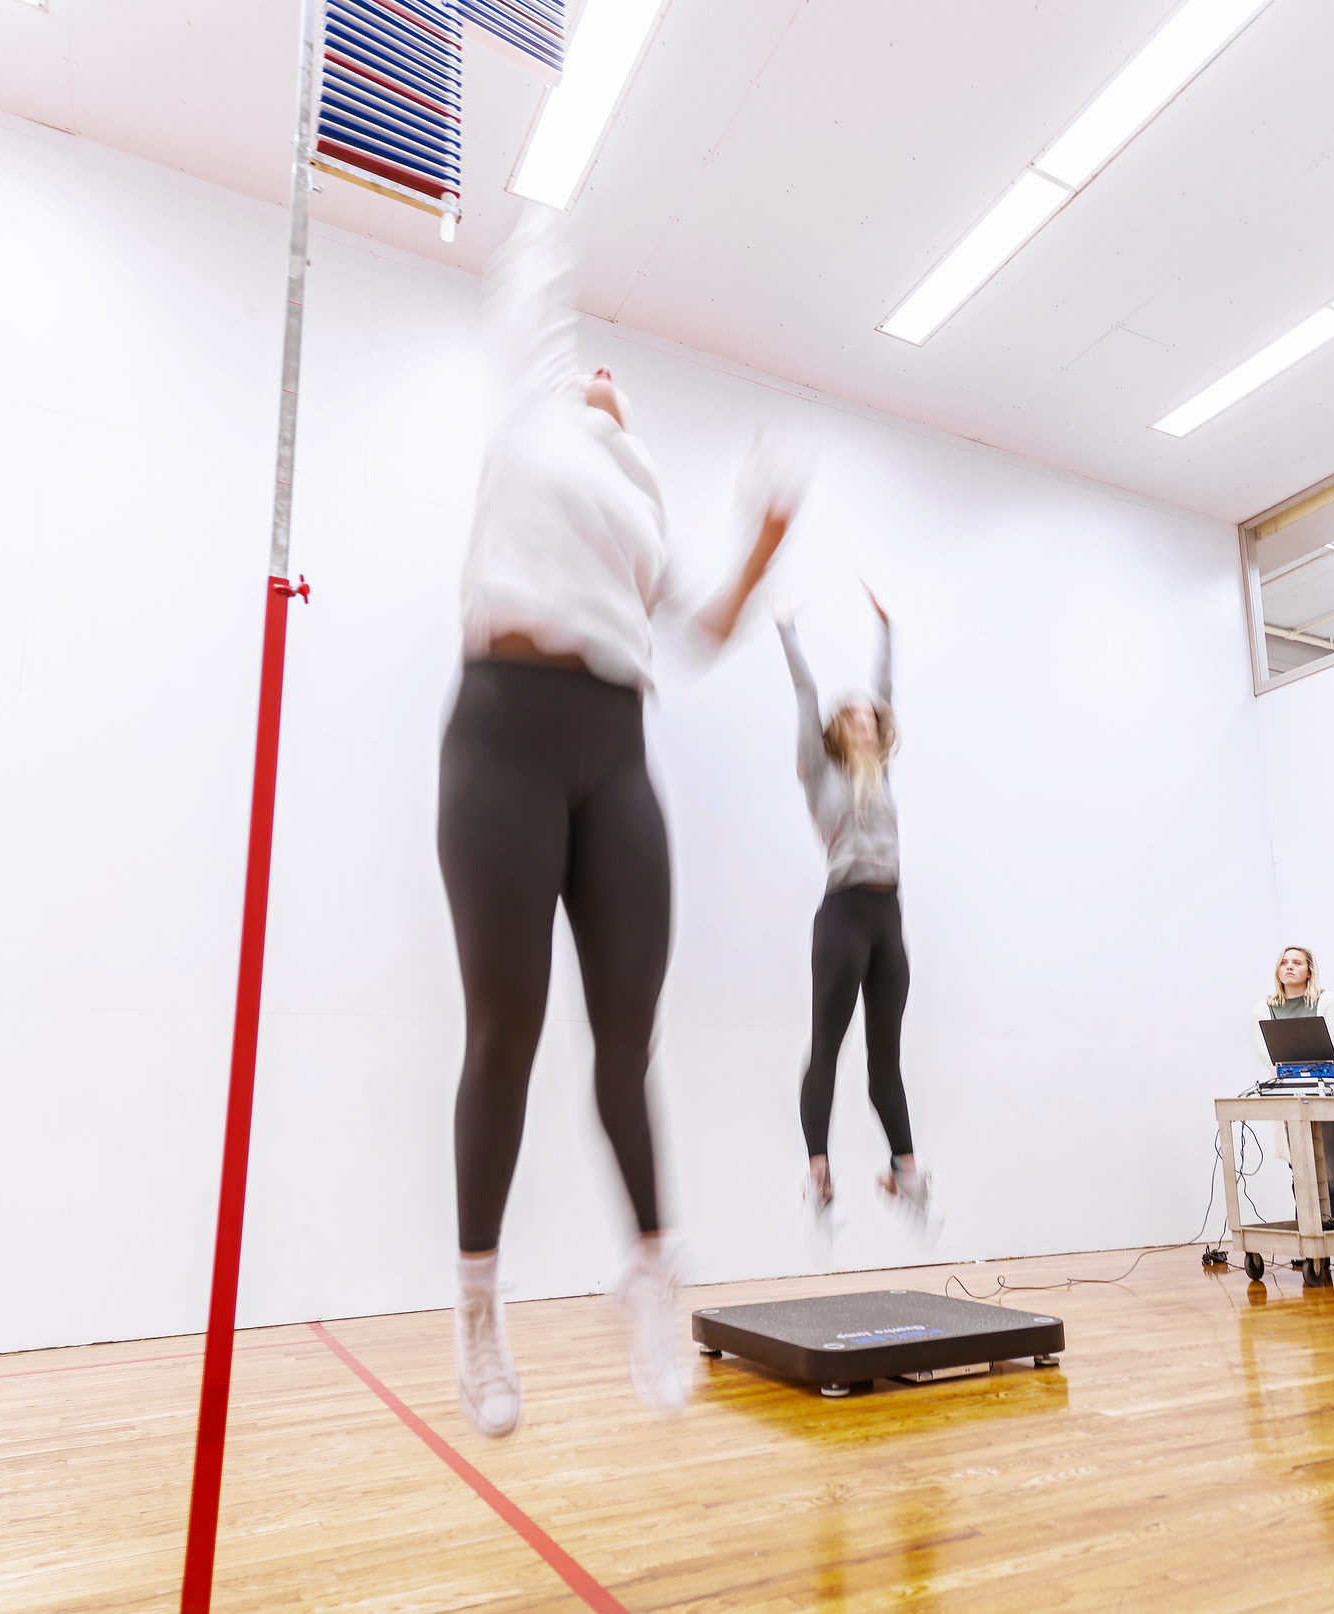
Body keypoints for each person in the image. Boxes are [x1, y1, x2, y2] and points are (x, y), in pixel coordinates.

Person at [441, 202, 793, 1438]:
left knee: (625, 1039)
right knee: (507, 1030)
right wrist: (552, 206)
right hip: (502, 739)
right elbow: (529, 300)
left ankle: (652, 1268)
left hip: (614, 749)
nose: (601, 374)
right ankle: (478, 1307)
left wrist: (761, 543)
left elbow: (699, 629)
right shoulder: (529, 411)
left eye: (616, 380)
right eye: (588, 365)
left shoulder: (640, 504)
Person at [778, 589, 928, 1247]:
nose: (867, 721)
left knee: (885, 1061)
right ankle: (819, 1173)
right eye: (856, 717)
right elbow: (807, 695)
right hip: (841, 919)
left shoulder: (882, 775)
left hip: (887, 920)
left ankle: (908, 1174)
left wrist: (888, 628)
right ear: (839, 729)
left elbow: (886, 689)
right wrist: (787, 628)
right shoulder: (819, 771)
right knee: (826, 1048)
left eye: (873, 717)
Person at [1252, 945, 1334, 1267]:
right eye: (1284, 963)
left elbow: (1330, 1044)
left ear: (1309, 970)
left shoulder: (1328, 1001)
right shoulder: (1265, 1007)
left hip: (1323, 1097)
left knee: (1333, 1170)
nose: (1289, 967)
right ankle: (1310, 1242)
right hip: (1290, 1097)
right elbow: (1269, 1055)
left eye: (1297, 963)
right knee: (1300, 1171)